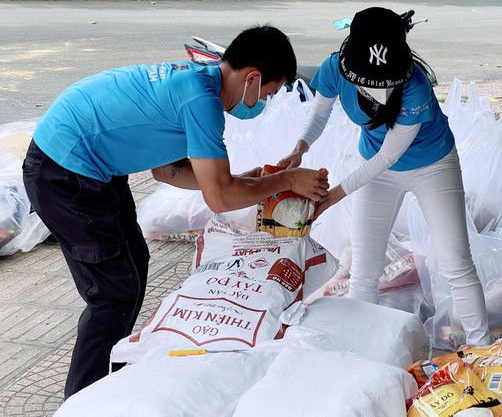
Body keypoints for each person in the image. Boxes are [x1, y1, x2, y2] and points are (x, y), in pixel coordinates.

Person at [22, 24, 329, 398]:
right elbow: (220, 199)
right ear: (253, 78)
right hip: (66, 171)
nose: (266, 101)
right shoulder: (203, 102)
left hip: (95, 165)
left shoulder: (200, 83)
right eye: (270, 92)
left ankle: (111, 374)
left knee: (134, 262)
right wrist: (288, 181)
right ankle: (84, 399)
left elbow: (168, 171)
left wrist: (246, 180)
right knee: (113, 293)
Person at [278, 7, 491, 347]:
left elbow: (389, 155)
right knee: (364, 267)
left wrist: (332, 197)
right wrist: (300, 147)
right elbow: (319, 114)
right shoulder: (335, 67)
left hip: (432, 167)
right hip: (376, 172)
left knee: (455, 262)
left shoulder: (416, 85)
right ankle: (363, 349)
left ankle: (482, 349)